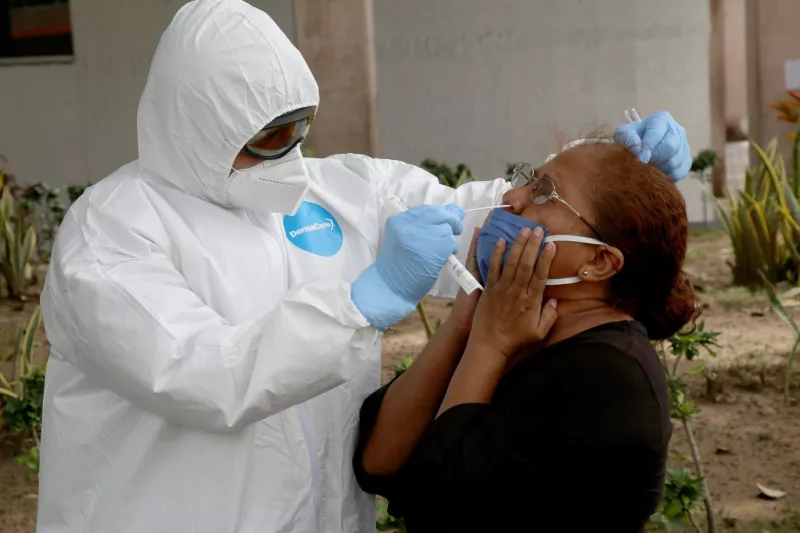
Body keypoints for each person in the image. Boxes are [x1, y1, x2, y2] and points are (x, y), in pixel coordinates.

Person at [37, 0, 692, 532]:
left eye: (299, 124)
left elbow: (487, 218)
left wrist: (610, 166)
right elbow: (202, 374)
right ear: (199, 128)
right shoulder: (115, 231)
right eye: (267, 135)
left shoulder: (339, 191)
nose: (290, 150)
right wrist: (359, 306)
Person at [354, 141, 696, 532]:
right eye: (527, 179)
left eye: (545, 192)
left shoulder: (612, 376)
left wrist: (489, 345)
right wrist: (465, 322)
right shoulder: (517, 324)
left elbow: (438, 507)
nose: (511, 197)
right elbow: (377, 461)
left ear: (599, 261)